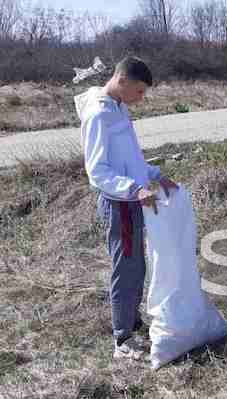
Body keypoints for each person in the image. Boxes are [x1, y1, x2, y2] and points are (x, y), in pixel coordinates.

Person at [75, 56, 178, 359]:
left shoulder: (118, 108)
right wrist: (134, 189)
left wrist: (155, 175)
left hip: (132, 200)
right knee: (126, 269)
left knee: (138, 266)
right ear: (122, 81)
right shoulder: (98, 114)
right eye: (140, 91)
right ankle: (122, 339)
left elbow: (129, 159)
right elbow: (98, 171)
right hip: (120, 204)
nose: (141, 99)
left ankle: (133, 324)